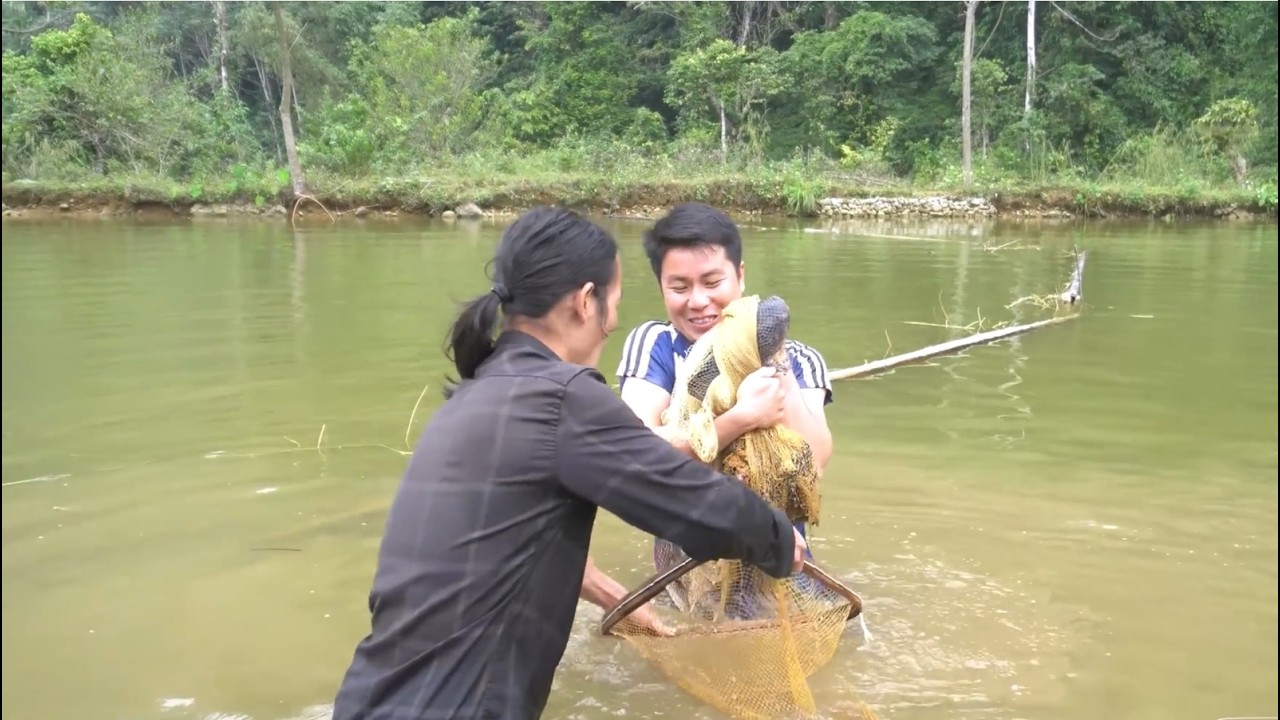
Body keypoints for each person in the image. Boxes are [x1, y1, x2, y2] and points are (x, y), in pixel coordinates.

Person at [331, 207, 808, 720]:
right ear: (585, 302)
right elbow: (693, 501)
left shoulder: (475, 397)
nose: (611, 326)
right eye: (613, 309)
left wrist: (616, 598)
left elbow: (506, 542)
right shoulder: (563, 397)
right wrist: (781, 543)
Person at [606, 201, 837, 585]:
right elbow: (638, 451)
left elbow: (814, 466)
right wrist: (740, 418)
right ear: (661, 288)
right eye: (679, 287)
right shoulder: (655, 345)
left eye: (713, 283)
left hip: (779, 556)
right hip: (687, 558)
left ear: (740, 277)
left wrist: (775, 360)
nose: (697, 301)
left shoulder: (800, 359)